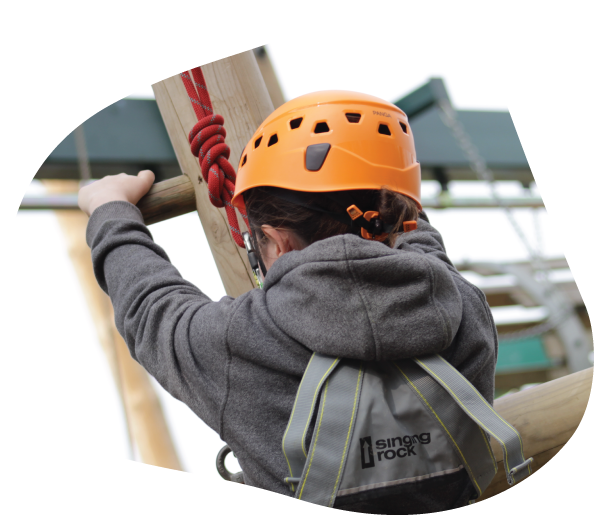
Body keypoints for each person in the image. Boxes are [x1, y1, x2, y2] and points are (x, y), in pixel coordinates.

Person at [78, 91, 498, 513]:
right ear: (395, 218)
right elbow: (420, 239)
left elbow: (150, 308)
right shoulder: (462, 307)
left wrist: (108, 207)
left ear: (276, 243)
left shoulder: (236, 345)